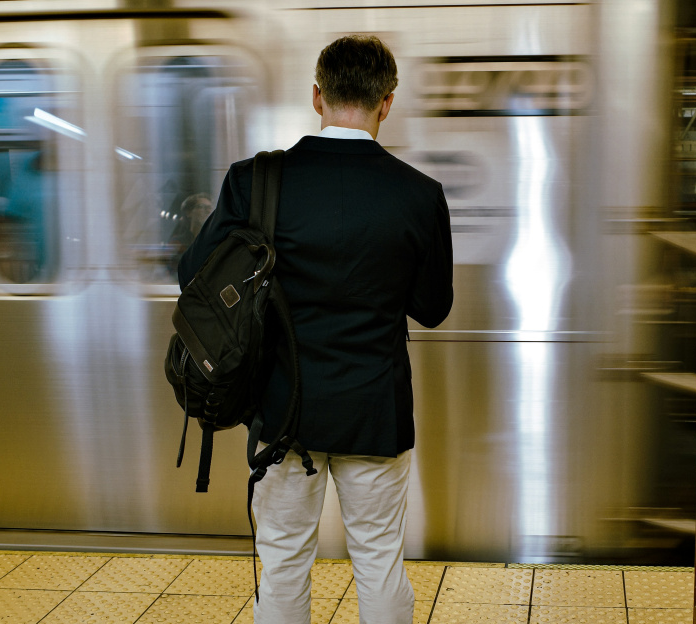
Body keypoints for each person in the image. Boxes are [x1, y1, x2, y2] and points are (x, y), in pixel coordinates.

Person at [177, 35, 453, 624]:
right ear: (387, 102)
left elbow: (192, 276)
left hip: (283, 410)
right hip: (374, 409)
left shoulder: (255, 182)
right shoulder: (420, 195)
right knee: (379, 561)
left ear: (316, 95)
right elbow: (432, 308)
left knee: (282, 563)